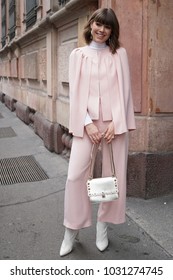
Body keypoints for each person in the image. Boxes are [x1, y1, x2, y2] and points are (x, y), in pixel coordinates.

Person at [60, 8, 136, 257]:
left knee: (113, 175)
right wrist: (86, 123)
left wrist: (118, 121)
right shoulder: (77, 55)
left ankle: (103, 226)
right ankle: (72, 228)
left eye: (107, 26)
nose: (101, 30)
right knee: (74, 176)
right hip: (87, 124)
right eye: (98, 24)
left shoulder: (119, 54)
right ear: (91, 24)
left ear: (112, 31)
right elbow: (75, 94)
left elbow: (125, 91)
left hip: (115, 124)